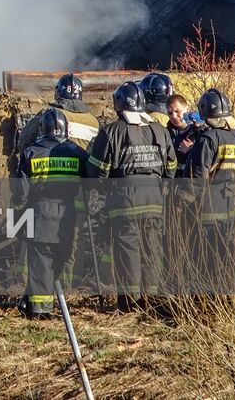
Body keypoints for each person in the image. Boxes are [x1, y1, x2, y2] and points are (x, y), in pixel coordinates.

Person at [83, 81, 177, 312]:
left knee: (129, 252)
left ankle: (131, 304)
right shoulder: (159, 130)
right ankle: (152, 301)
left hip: (124, 201)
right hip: (155, 199)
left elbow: (97, 170)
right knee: (152, 249)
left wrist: (102, 188)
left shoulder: (111, 131)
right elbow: (172, 167)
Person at [17, 108, 86, 317]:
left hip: (40, 214)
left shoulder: (31, 152)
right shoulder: (77, 152)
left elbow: (20, 191)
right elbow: (92, 179)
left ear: (42, 129)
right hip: (67, 214)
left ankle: (39, 309)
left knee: (40, 263)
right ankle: (40, 302)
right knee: (60, 258)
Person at [177, 88, 235, 280]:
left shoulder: (207, 139)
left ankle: (204, 300)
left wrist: (180, 202)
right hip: (229, 203)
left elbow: (197, 177)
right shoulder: (234, 137)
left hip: (207, 206)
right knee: (224, 251)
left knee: (204, 254)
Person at [15, 73, 102, 154]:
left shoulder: (51, 114)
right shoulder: (95, 122)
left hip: (53, 167)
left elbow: (24, 141)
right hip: (84, 169)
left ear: (58, 92)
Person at [167, 94, 200, 168]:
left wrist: (191, 149)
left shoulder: (198, 131)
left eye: (177, 111)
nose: (174, 116)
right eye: (170, 113)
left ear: (186, 108)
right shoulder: (166, 133)